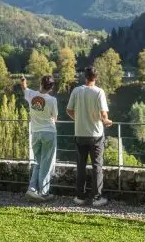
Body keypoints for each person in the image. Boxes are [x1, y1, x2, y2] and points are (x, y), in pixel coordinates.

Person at [67, 66, 112, 206]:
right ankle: (96, 198)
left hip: (80, 133)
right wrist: (107, 121)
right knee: (97, 166)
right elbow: (104, 114)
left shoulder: (76, 90)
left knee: (81, 165)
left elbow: (69, 110)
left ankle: (80, 197)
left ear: (85, 77)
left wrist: (79, 119)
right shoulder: (99, 92)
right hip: (95, 135)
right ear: (96, 77)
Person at [21, 75, 58, 202]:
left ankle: (32, 190)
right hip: (48, 133)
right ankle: (44, 193)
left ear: (40, 83)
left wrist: (23, 80)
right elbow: (55, 118)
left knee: (37, 162)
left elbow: (24, 88)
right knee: (46, 164)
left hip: (35, 132)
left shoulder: (31, 94)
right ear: (51, 87)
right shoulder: (52, 100)